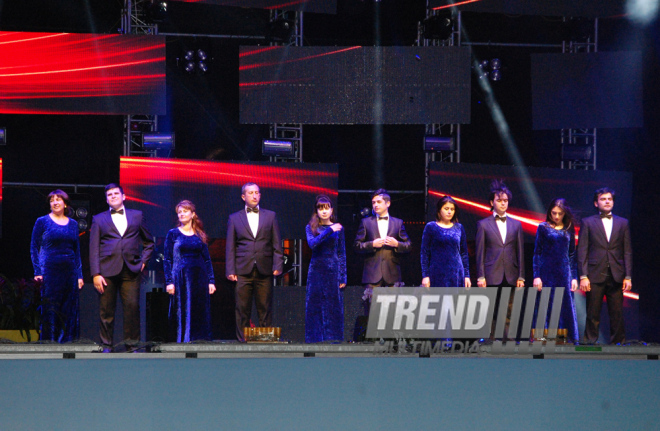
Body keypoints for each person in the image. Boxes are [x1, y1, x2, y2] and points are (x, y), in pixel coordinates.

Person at [90, 184, 154, 352]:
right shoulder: (98, 219)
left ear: (123, 196)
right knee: (106, 311)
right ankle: (106, 346)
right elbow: (93, 248)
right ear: (106, 199)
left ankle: (132, 346)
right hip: (106, 271)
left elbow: (149, 242)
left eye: (116, 193)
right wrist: (96, 273)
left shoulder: (137, 216)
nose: (113, 196)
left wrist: (143, 262)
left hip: (131, 270)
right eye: (109, 194)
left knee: (132, 309)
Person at [226, 183, 283, 342]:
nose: (254, 195)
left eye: (257, 192)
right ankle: (243, 341)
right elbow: (230, 246)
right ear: (243, 197)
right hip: (242, 269)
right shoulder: (234, 217)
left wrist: (277, 265)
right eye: (251, 193)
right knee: (242, 308)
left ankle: (265, 341)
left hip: (264, 268)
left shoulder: (270, 216)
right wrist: (230, 269)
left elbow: (277, 243)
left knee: (264, 307)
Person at [578, 187, 632, 344]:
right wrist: (583, 275)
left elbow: (627, 251)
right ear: (596, 203)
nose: (607, 201)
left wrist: (628, 276)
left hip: (616, 273)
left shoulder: (623, 223)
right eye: (603, 199)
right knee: (592, 312)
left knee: (616, 313)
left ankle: (618, 343)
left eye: (609, 199)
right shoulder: (587, 222)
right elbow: (582, 251)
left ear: (613, 202)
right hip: (595, 274)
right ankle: (589, 341)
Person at [30, 190, 84, 343]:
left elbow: (77, 251)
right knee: (50, 308)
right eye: (52, 200)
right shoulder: (42, 221)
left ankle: (67, 342)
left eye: (58, 199)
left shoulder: (73, 224)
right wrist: (37, 271)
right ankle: (50, 342)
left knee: (68, 308)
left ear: (65, 203)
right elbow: (34, 246)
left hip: (70, 271)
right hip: (49, 270)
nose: (55, 202)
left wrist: (79, 275)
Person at [475, 180, 524, 339]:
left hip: (511, 272)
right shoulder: (483, 224)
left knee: (509, 308)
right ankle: (489, 339)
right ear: (492, 202)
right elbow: (480, 252)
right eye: (499, 200)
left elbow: (520, 252)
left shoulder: (516, 225)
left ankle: (508, 340)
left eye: (505, 201)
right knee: (490, 307)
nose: (503, 204)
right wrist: (481, 275)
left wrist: (521, 276)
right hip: (491, 273)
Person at [164, 200, 216, 342]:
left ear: (193, 214)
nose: (181, 214)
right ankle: (182, 340)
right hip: (180, 278)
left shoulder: (200, 234)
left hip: (199, 278)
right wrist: (169, 282)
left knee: (198, 310)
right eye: (179, 212)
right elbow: (167, 259)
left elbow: (207, 259)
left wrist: (211, 281)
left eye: (185, 211)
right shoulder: (173, 234)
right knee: (181, 310)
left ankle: (199, 340)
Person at [354, 189, 411, 314]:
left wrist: (397, 244)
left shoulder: (398, 223)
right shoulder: (366, 222)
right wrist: (371, 244)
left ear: (388, 203)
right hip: (372, 273)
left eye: (379, 202)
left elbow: (408, 245)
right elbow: (357, 245)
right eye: (373, 202)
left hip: (392, 273)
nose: (375, 205)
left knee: (393, 313)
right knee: (371, 314)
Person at [532, 198, 579, 343]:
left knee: (565, 306)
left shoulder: (569, 228)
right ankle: (543, 338)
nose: (557, 216)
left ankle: (567, 338)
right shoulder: (543, 227)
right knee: (545, 305)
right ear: (549, 212)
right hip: (547, 273)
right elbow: (537, 253)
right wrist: (536, 276)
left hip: (564, 274)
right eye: (554, 213)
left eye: (560, 213)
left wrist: (574, 277)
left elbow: (572, 254)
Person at [305, 195, 347, 343]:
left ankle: (334, 340)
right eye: (321, 208)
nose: (324, 211)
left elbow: (341, 253)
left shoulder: (339, 228)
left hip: (333, 270)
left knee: (333, 305)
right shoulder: (311, 227)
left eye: (327, 208)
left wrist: (343, 276)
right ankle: (314, 340)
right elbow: (312, 244)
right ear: (316, 210)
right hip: (316, 270)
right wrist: (329, 230)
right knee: (314, 305)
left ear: (331, 209)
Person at [421, 196, 471, 289]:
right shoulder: (431, 227)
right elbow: (424, 253)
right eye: (446, 208)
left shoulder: (459, 228)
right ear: (439, 210)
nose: (449, 212)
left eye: (452, 209)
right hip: (437, 273)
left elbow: (464, 253)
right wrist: (425, 276)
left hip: (456, 274)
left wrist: (467, 276)